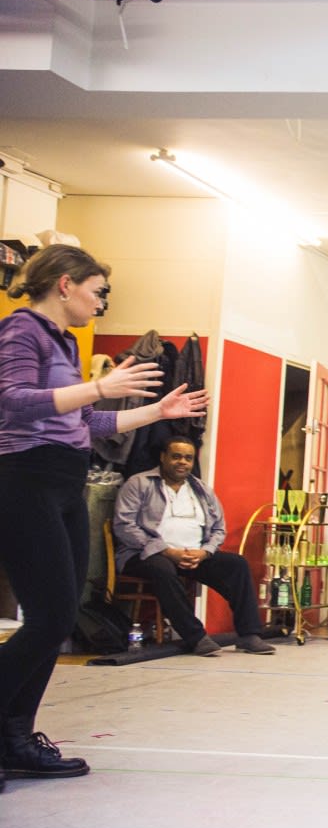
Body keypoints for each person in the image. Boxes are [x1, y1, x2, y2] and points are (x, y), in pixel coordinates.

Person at [0, 245, 208, 792]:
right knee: (47, 618)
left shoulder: (66, 341)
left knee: (60, 615)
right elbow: (14, 401)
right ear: (64, 284)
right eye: (97, 291)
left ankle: (16, 739)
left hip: (65, 479)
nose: (101, 303)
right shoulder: (21, 330)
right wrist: (98, 386)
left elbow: (88, 420)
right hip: (25, 479)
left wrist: (156, 412)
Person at [111, 435, 278, 656]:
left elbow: (219, 528)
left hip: (193, 554)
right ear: (163, 457)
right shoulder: (139, 483)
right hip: (145, 554)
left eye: (188, 458)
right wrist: (167, 551)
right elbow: (124, 526)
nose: (183, 462)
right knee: (162, 568)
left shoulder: (201, 490)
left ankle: (249, 634)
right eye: (176, 456)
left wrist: (205, 552)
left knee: (236, 565)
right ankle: (195, 637)